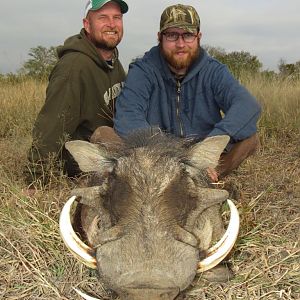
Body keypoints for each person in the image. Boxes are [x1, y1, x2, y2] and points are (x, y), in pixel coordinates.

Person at [114, 3, 261, 181]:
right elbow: (128, 114)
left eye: (188, 35)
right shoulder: (143, 69)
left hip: (201, 157)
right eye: (172, 35)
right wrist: (163, 151)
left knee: (250, 140)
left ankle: (205, 178)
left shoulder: (213, 70)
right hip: (156, 157)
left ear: (198, 37)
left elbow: (246, 105)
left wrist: (208, 149)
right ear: (159, 37)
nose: (180, 43)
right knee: (104, 133)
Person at [26, 0, 128, 185]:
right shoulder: (73, 67)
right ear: (87, 25)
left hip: (110, 150)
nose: (112, 24)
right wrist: (36, 177)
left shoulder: (114, 62)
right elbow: (52, 126)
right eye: (103, 18)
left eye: (117, 18)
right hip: (83, 162)